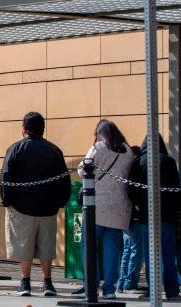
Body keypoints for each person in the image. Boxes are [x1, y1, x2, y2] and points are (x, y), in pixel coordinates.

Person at [1, 111, 71, 298]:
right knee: (46, 246)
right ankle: (47, 282)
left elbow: (6, 177)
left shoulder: (15, 149)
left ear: (24, 128)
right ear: (43, 128)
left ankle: (25, 282)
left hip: (22, 206)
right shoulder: (55, 150)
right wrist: (61, 201)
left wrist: (7, 200)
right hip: (48, 207)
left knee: (25, 245)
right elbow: (64, 180)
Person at [69, 119, 134, 299]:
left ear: (100, 133)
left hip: (95, 207)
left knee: (87, 245)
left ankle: (91, 284)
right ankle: (110, 289)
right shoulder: (127, 151)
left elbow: (83, 170)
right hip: (120, 207)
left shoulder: (98, 147)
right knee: (112, 248)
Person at [127, 134, 180, 299]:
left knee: (151, 255)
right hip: (168, 216)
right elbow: (176, 189)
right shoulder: (169, 161)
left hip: (146, 216)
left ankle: (153, 290)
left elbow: (131, 191)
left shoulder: (139, 162)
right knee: (168, 254)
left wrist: (139, 206)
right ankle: (171, 290)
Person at [118, 145, 146, 293]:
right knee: (136, 249)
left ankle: (122, 282)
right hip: (135, 216)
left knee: (127, 249)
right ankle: (129, 282)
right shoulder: (136, 170)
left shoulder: (124, 170)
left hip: (125, 215)